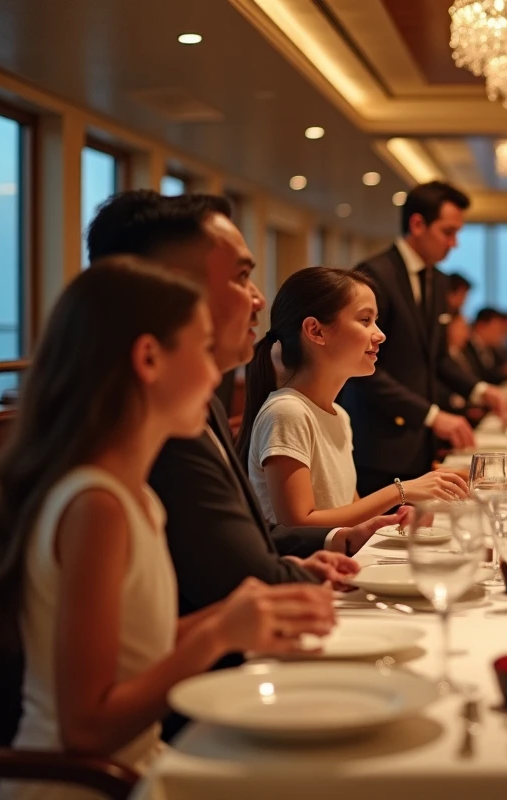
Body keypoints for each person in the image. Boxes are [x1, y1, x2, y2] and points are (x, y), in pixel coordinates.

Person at [0, 260, 334, 800]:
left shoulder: (133, 495)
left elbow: (135, 647)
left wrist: (235, 615)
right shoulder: (96, 505)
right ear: (149, 359)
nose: (215, 375)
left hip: (135, 769)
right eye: (203, 348)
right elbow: (86, 728)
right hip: (81, 787)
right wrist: (216, 635)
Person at [85, 191, 380, 617]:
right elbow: (225, 577)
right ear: (172, 289)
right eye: (241, 277)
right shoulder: (144, 430)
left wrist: (337, 540)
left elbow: (246, 540)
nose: (258, 298)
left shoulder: (205, 407)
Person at [238, 267, 469, 529]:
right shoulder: (287, 412)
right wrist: (400, 491)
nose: (380, 334)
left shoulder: (339, 415)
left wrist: (394, 519)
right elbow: (298, 524)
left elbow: (349, 512)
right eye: (365, 320)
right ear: (316, 331)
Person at [338, 181, 507, 496]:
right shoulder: (374, 275)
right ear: (417, 224)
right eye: (448, 232)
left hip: (421, 441)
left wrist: (481, 390)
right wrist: (431, 415)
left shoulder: (439, 280)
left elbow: (438, 358)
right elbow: (361, 367)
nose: (454, 243)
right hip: (381, 441)